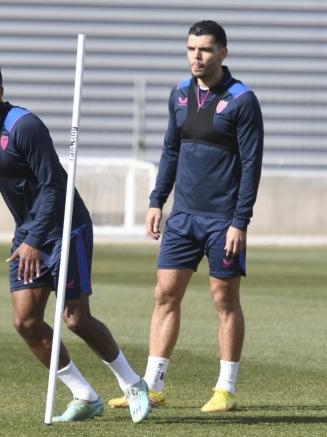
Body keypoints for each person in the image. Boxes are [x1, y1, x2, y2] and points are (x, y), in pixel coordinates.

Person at [0, 61, 151, 423]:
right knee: (26, 322)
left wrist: (33, 238)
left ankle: (133, 383)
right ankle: (84, 395)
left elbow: (53, 185)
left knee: (76, 319)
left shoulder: (24, 127)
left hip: (66, 227)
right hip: (28, 233)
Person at [108, 20, 263, 413]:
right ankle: (152, 387)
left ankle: (225, 389)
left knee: (223, 299)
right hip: (183, 217)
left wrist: (239, 221)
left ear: (223, 53)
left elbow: (251, 165)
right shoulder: (178, 94)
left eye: (206, 49)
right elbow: (170, 150)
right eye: (191, 48)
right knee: (164, 295)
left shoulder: (243, 101)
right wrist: (157, 200)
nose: (197, 56)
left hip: (222, 220)